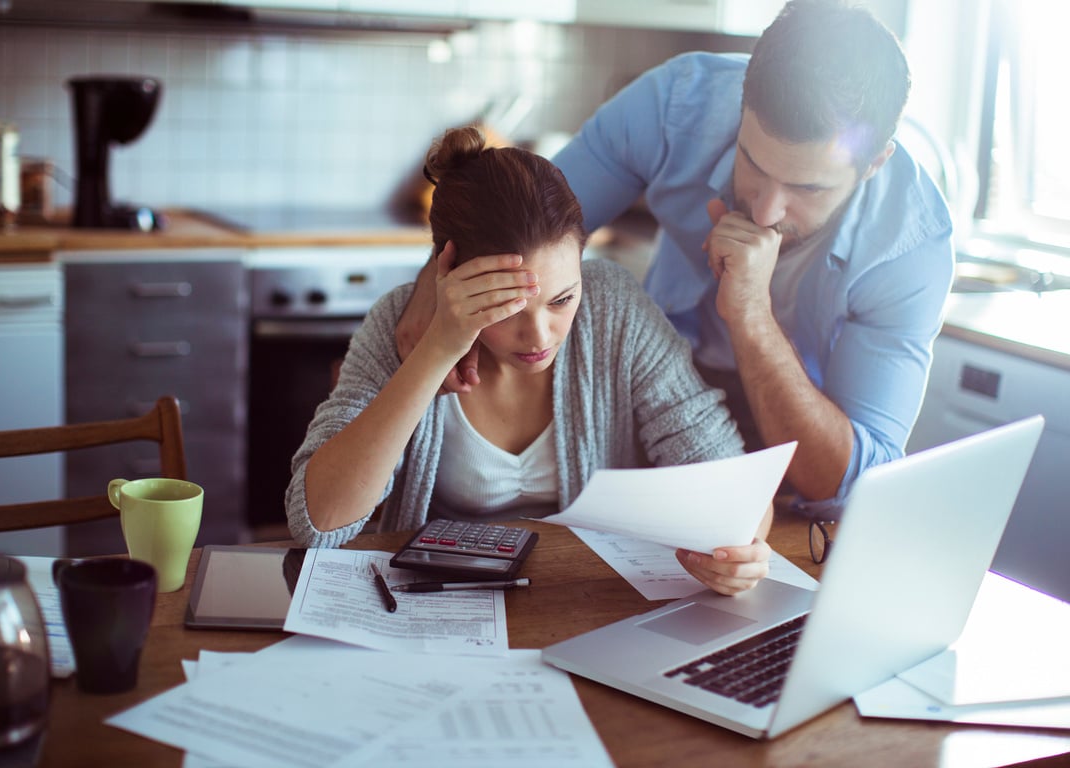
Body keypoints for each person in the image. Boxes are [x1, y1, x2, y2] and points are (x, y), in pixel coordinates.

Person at [397, 0, 955, 517]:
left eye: (807, 188)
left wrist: (752, 317)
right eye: (753, 165)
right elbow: (526, 222)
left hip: (804, 434)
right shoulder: (676, 104)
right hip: (662, 393)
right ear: (742, 104)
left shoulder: (911, 251)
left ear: (876, 162)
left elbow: (850, 486)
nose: (764, 212)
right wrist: (435, 285)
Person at [286, 126, 769, 595]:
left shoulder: (613, 306)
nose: (539, 336)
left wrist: (742, 550)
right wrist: (435, 352)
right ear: (449, 277)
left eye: (562, 300)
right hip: (439, 604)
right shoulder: (398, 322)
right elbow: (319, 523)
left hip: (583, 601)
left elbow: (727, 476)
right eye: (509, 308)